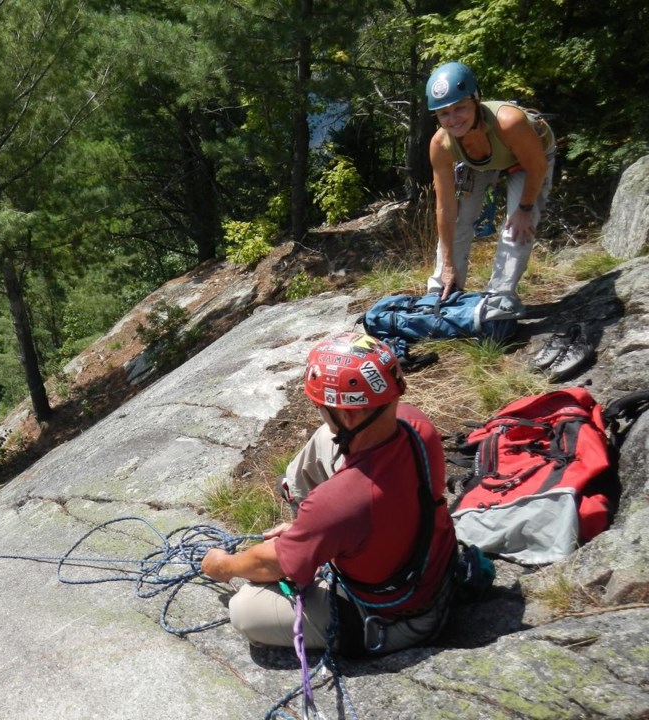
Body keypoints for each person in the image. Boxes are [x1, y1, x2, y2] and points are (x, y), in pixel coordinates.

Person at [200, 332, 457, 656]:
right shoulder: (415, 423)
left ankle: (316, 542)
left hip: (398, 616)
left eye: (322, 407)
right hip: (433, 564)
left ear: (347, 414)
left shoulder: (340, 502)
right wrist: (312, 530)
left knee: (244, 609)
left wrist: (225, 565)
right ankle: (315, 537)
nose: (319, 412)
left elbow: (271, 564)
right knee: (326, 438)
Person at [425, 61, 556, 306]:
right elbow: (445, 210)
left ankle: (499, 295)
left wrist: (525, 209)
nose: (453, 119)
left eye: (460, 108)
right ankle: (443, 287)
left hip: (528, 158)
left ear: (475, 101)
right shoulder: (441, 145)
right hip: (478, 160)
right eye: (444, 113)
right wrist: (449, 266)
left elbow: (536, 167)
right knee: (459, 219)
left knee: (516, 226)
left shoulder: (509, 122)